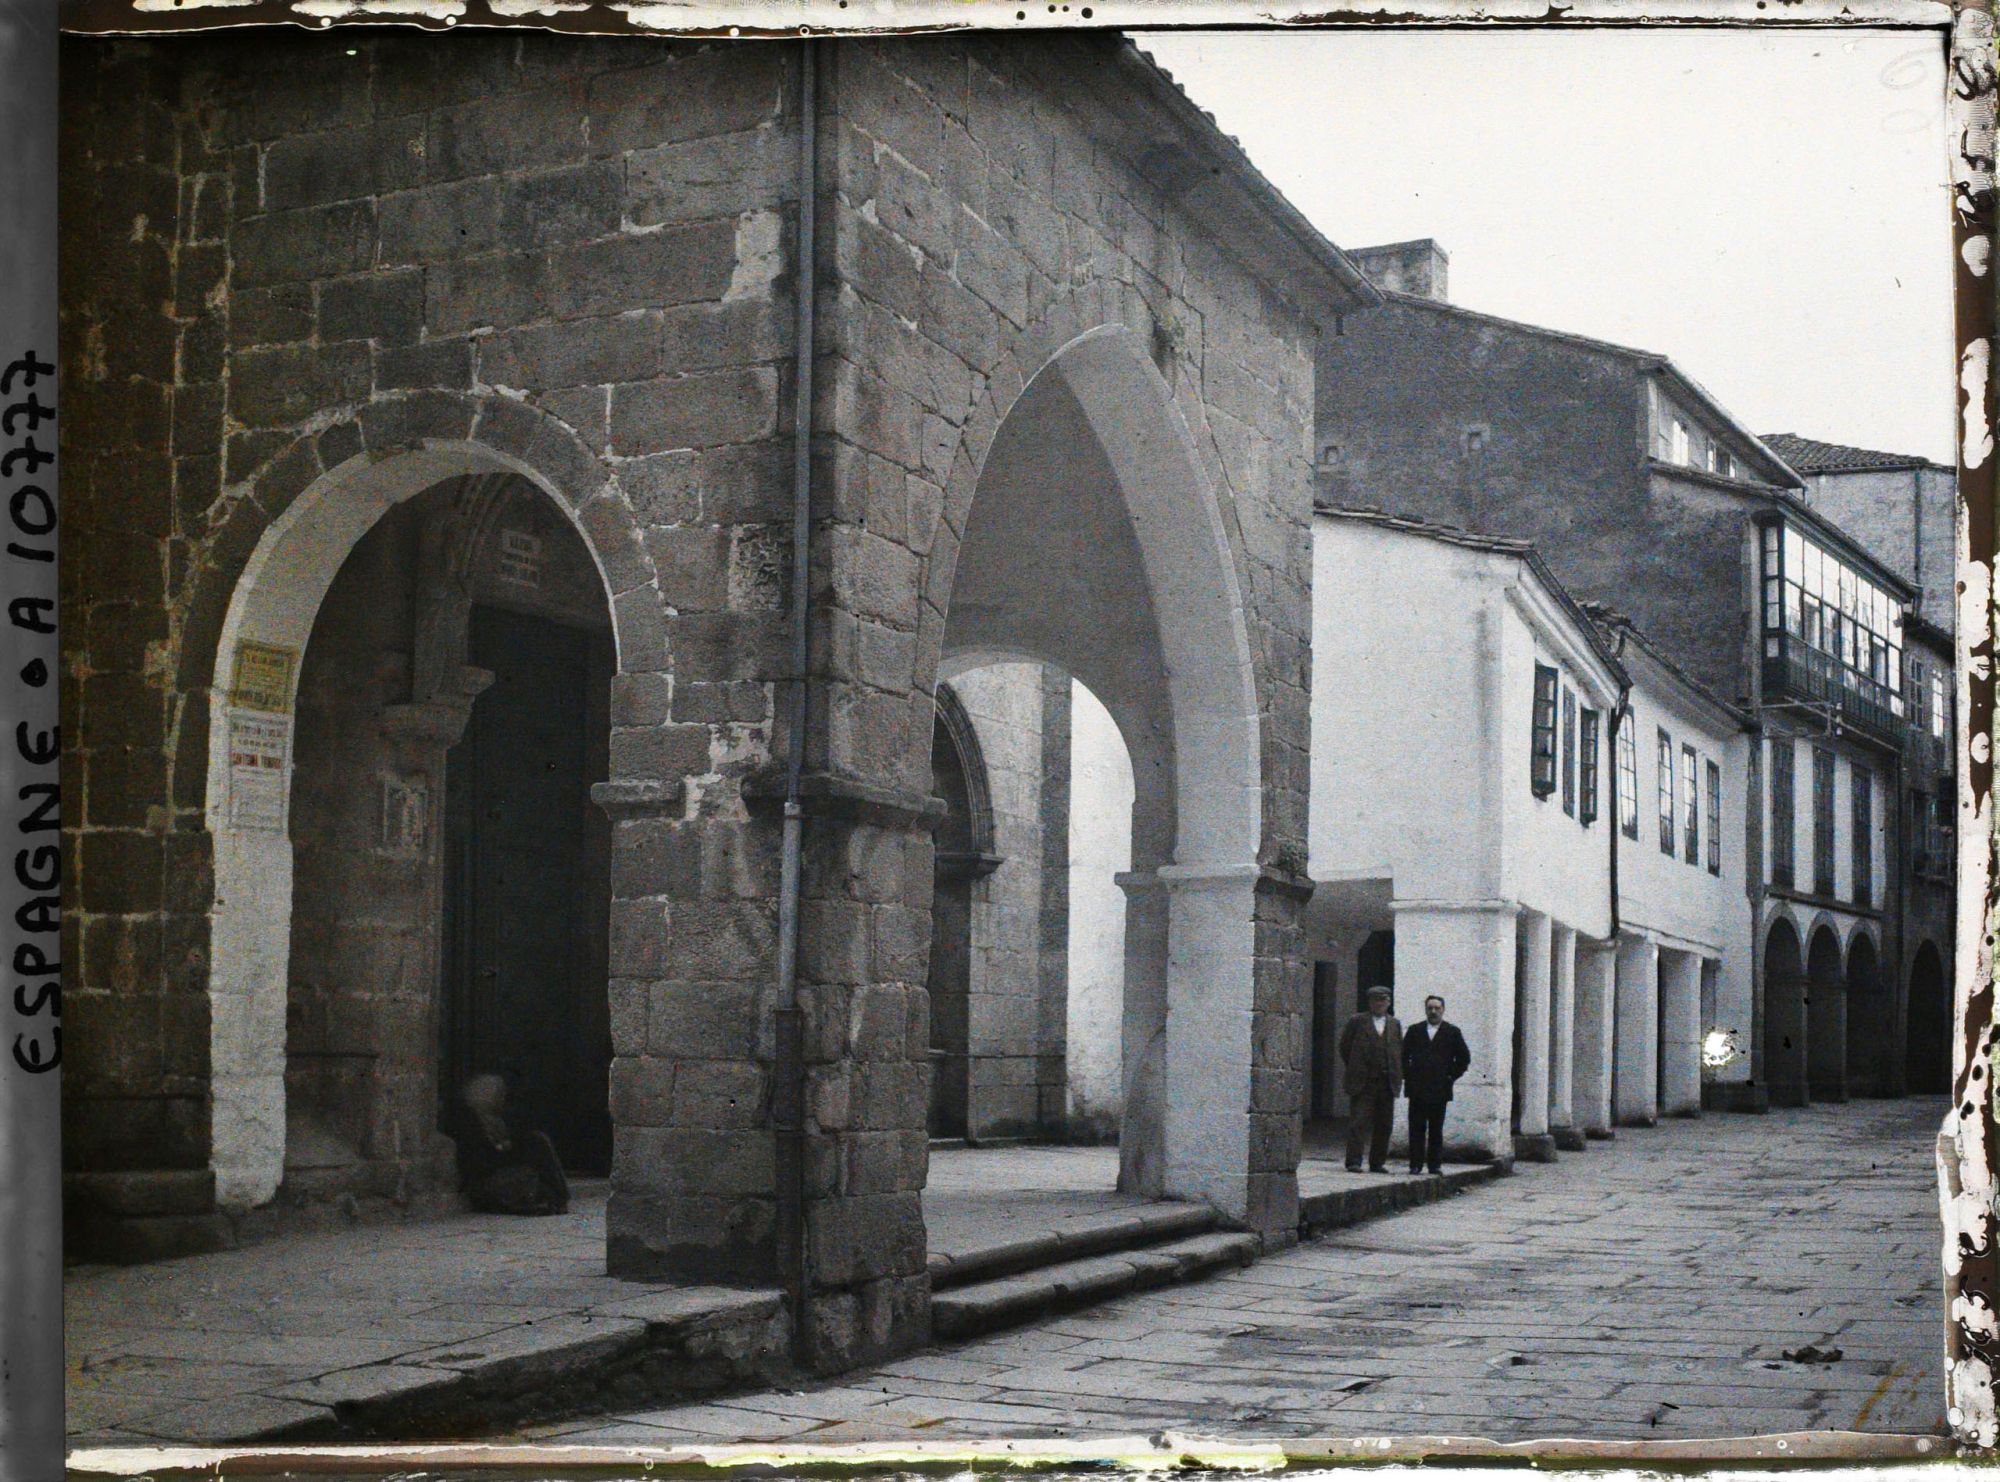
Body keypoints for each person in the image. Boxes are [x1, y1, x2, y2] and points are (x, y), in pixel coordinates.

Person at [453, 1073, 570, 1216]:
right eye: (499, 1095)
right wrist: (506, 1151)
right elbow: (481, 1163)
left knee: (538, 1142)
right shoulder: (471, 1124)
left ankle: (558, 1196)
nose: (502, 1100)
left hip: (500, 1170)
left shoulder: (496, 1120)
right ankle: (553, 1198)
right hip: (486, 1181)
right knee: (528, 1168)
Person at [1401, 993, 1471, 1175]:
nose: (1433, 1011)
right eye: (1430, 1008)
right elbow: (1402, 1056)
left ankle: (1434, 1165)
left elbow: (1464, 1058)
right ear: (1425, 1010)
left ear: (1443, 1010)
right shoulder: (1415, 1030)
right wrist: (1409, 1076)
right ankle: (1415, 1164)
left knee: (1435, 1129)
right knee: (1416, 1128)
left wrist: (1450, 1076)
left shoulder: (1452, 1032)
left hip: (1439, 1089)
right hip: (1417, 1089)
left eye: (1437, 1008)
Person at [1337, 985, 1402, 1173]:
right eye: (1376, 1000)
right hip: (1363, 1082)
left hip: (1386, 1082)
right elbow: (1345, 1047)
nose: (1379, 1004)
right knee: (1359, 1121)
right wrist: (1357, 1068)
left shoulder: (1394, 1024)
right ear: (1370, 1002)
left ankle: (1377, 1162)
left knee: (1384, 1124)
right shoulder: (1357, 1021)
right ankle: (1354, 1161)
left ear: (1389, 1002)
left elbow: (1397, 1051)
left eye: (1383, 1000)